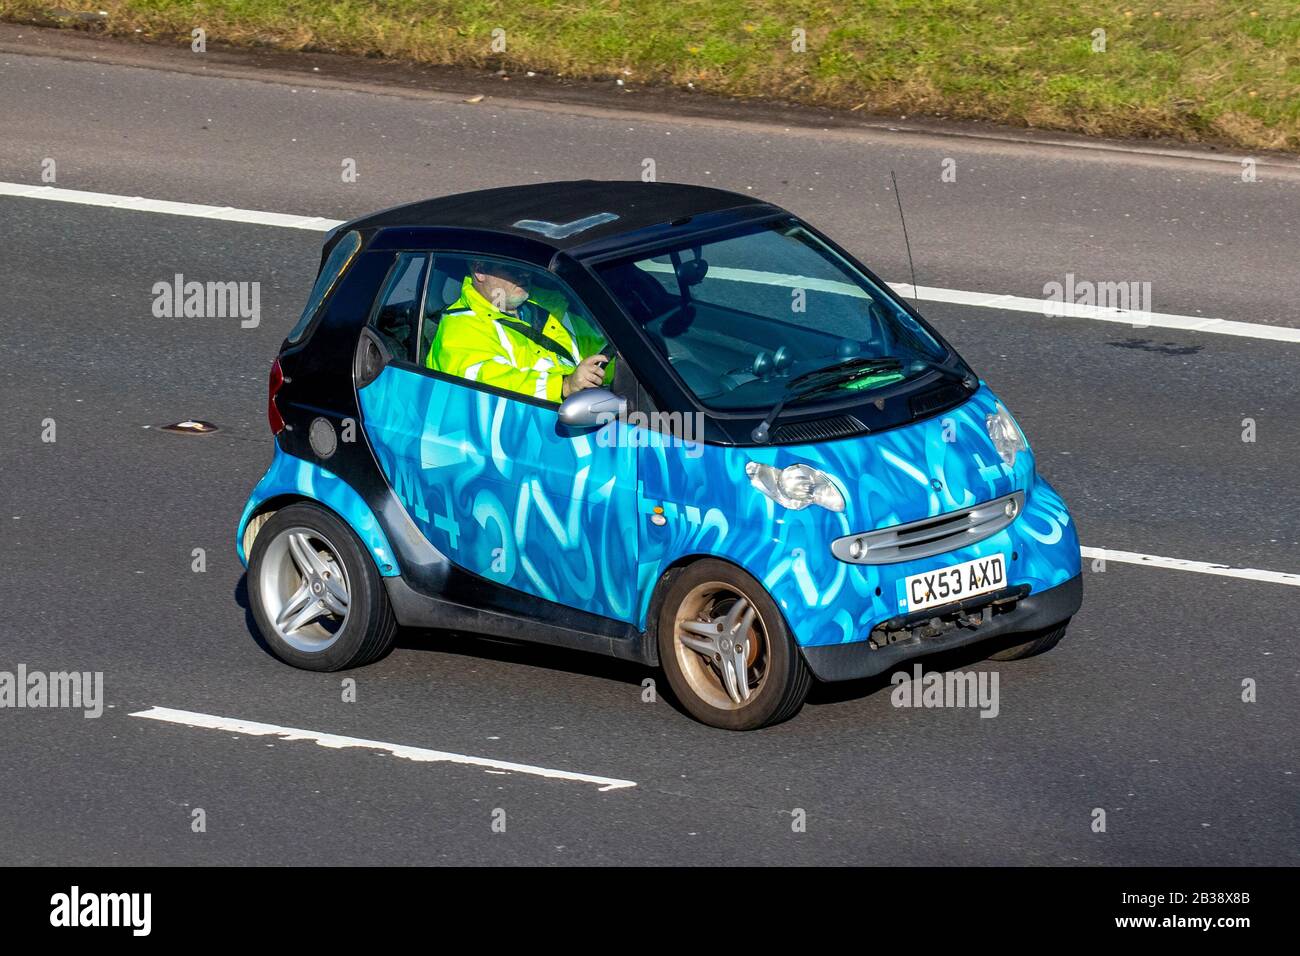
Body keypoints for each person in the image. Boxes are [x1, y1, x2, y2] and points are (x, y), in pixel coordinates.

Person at [427, 261, 612, 402]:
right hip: (523, 435)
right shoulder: (461, 328)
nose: (524, 274)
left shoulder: (548, 306)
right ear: (480, 271)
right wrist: (564, 386)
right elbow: (491, 385)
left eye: (525, 267)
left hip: (588, 409)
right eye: (511, 269)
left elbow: (601, 349)